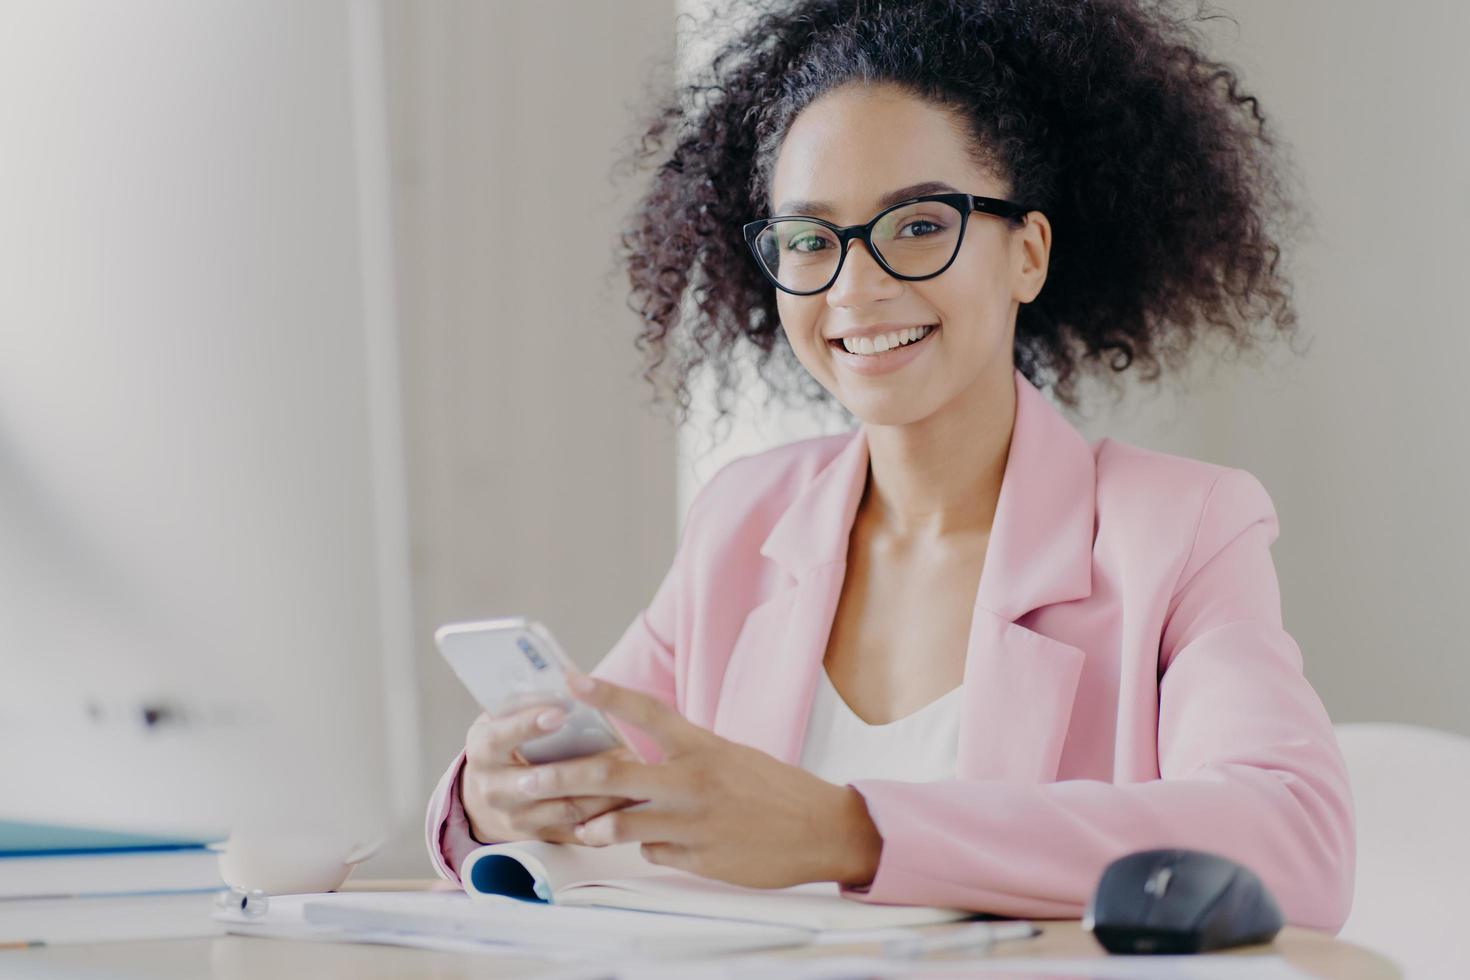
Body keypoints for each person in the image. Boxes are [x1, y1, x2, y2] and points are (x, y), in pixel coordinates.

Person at [426, 0, 1355, 931]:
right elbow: (600, 783)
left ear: (1026, 253)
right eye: (809, 240)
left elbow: (1296, 844)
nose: (855, 287)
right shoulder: (745, 522)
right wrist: (493, 797)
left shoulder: (1181, 530)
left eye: (916, 225)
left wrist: (850, 832)